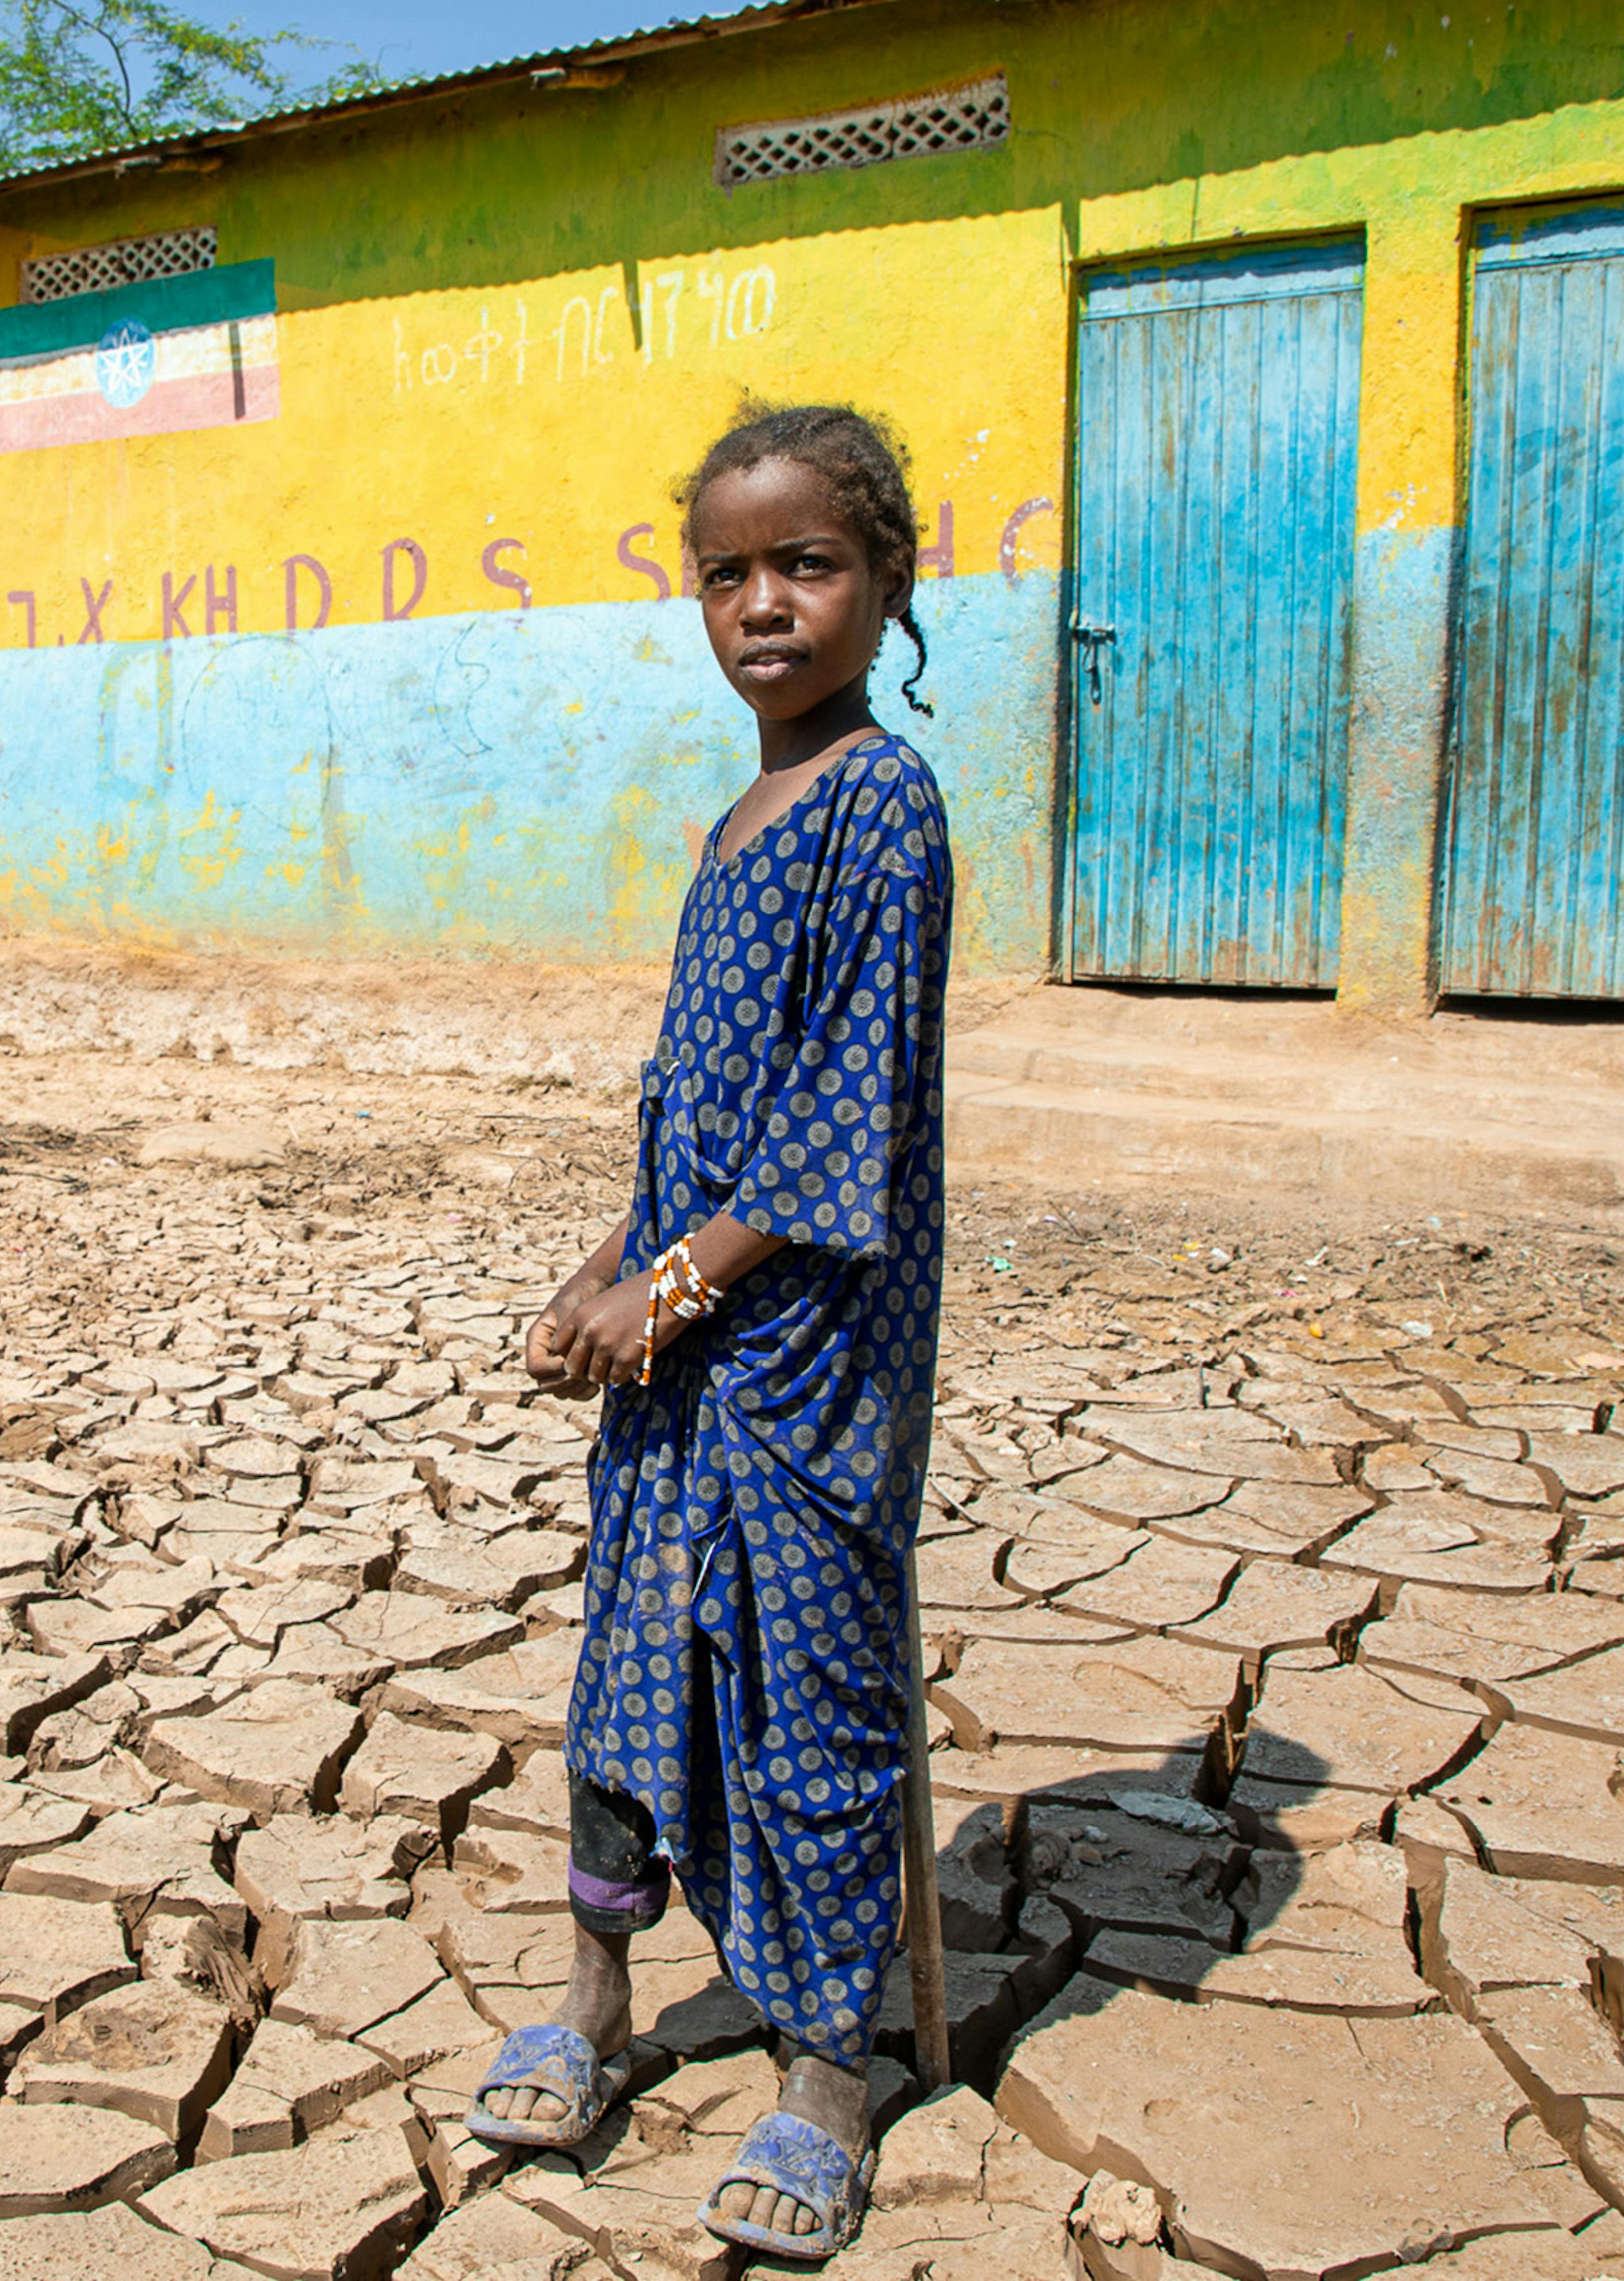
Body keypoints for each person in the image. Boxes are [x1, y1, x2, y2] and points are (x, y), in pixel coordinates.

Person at [464, 401, 954, 2263]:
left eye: (808, 564)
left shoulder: (879, 806)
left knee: (815, 1705)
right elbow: (700, 1114)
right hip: (691, 1335)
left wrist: (658, 1298)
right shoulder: (742, 811)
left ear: (886, 580)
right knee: (628, 1671)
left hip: (810, 1352)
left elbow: (840, 1128)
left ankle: (831, 2072)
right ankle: (596, 1997)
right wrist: (606, 1272)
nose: (765, 602)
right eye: (728, 572)